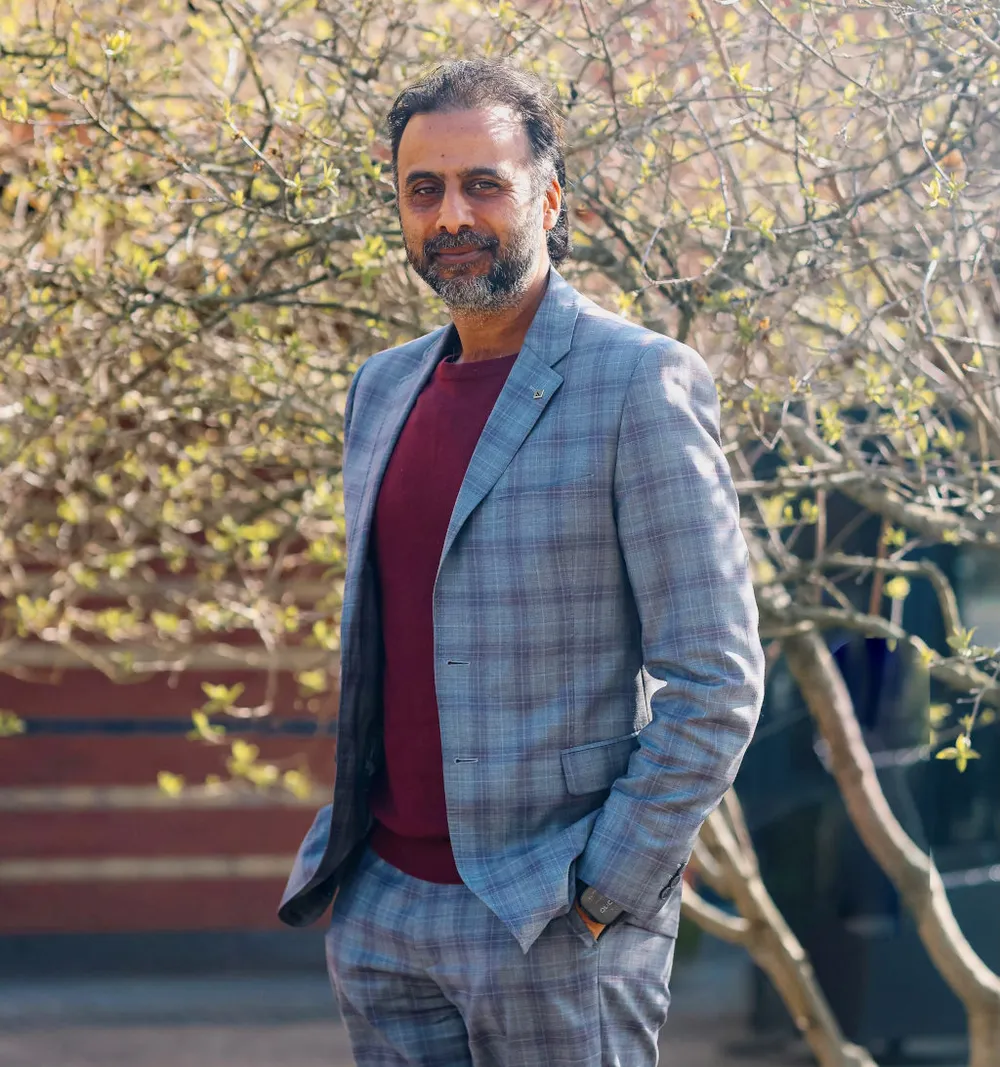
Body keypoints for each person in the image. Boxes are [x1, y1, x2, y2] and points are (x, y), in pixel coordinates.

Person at [278, 58, 765, 1066]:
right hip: (381, 913)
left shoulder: (638, 383)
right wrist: (357, 884)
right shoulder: (382, 388)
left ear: (547, 197)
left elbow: (714, 678)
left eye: (482, 184)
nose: (452, 213)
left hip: (549, 921)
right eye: (425, 190)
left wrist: (605, 890)